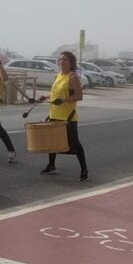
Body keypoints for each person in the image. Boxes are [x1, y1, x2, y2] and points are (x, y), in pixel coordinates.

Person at [40, 51, 89, 181]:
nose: (62, 61)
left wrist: (64, 100)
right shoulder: (57, 76)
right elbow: (55, 95)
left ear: (71, 62)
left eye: (65, 59)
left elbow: (79, 96)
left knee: (75, 144)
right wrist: (45, 97)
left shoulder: (72, 77)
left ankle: (84, 170)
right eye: (60, 59)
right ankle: (51, 166)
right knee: (52, 143)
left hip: (68, 117)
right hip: (54, 114)